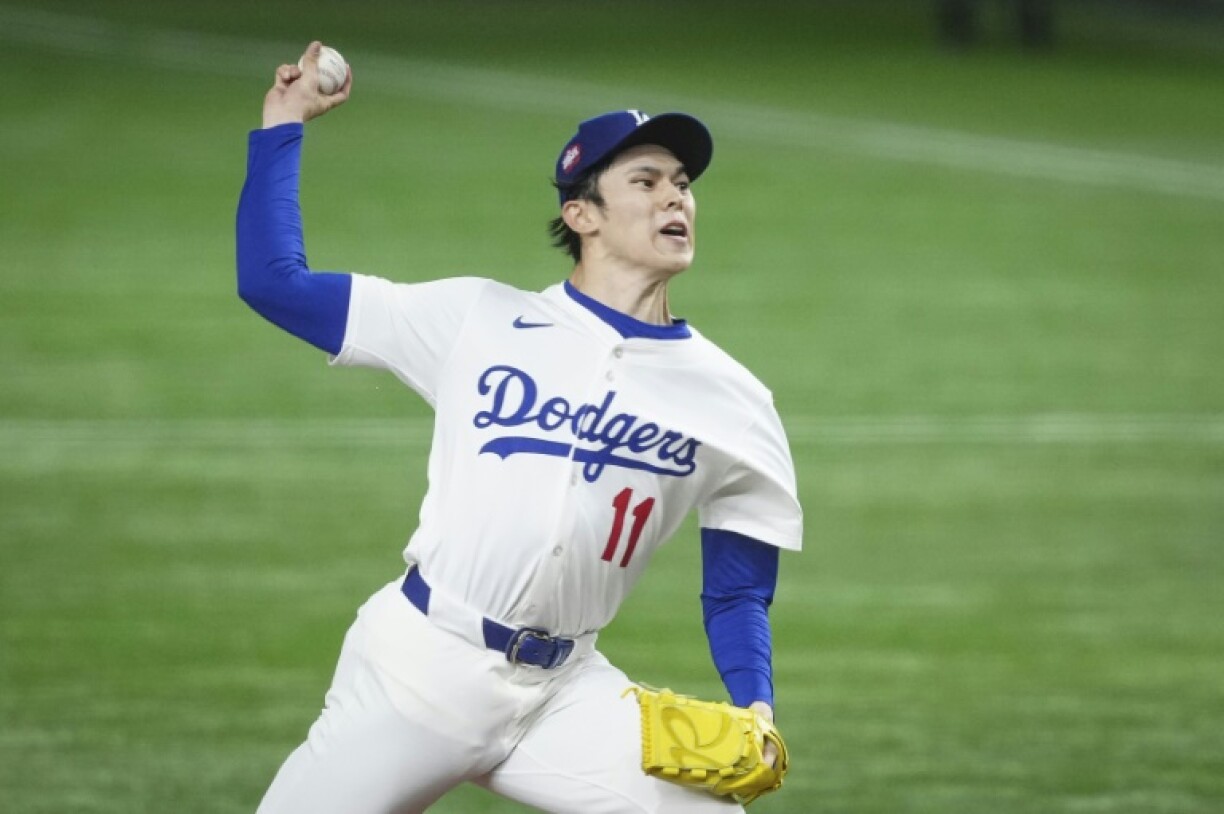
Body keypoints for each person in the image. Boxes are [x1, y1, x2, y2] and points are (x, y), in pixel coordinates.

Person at [236, 42, 803, 813]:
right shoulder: (478, 318)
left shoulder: (734, 400)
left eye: (683, 183)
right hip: (419, 671)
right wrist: (282, 124)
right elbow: (273, 283)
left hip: (562, 695)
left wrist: (755, 704)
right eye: (645, 181)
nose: (676, 197)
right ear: (582, 215)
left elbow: (738, 589)